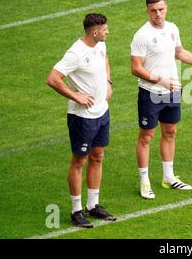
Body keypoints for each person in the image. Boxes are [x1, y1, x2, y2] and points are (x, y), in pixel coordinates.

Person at [46, 13, 117, 227]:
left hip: (101, 112)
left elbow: (105, 59)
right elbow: (53, 78)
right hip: (82, 117)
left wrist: (108, 82)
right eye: (105, 29)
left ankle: (93, 206)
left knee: (98, 156)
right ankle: (76, 210)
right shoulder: (75, 53)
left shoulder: (100, 45)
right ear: (94, 31)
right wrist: (76, 96)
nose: (108, 31)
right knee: (79, 161)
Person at [130, 0, 192, 199]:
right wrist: (158, 80)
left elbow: (179, 52)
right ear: (147, 11)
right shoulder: (141, 35)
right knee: (146, 137)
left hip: (172, 91)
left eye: (160, 9)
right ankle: (144, 181)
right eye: (153, 10)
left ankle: (168, 177)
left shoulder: (172, 28)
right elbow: (135, 68)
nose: (157, 14)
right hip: (151, 93)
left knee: (170, 132)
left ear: (166, 8)